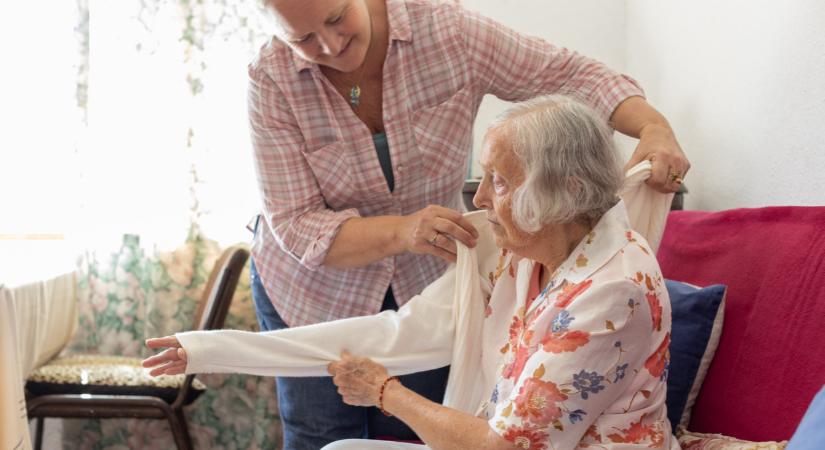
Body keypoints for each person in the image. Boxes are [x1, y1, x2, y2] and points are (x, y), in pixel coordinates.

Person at [245, 0, 688, 446]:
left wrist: (652, 126)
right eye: (302, 40)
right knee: (318, 436)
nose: (331, 44)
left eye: (338, 18)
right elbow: (299, 223)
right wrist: (401, 231)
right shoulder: (270, 78)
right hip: (313, 288)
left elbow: (571, 76)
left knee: (408, 431)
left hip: (425, 272)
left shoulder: (447, 32)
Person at [145, 95, 676, 449]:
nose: (480, 197)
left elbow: (506, 447)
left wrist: (386, 394)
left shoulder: (613, 291)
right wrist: (207, 348)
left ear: (570, 192)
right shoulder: (520, 254)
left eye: (500, 181)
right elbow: (389, 335)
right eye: (483, 176)